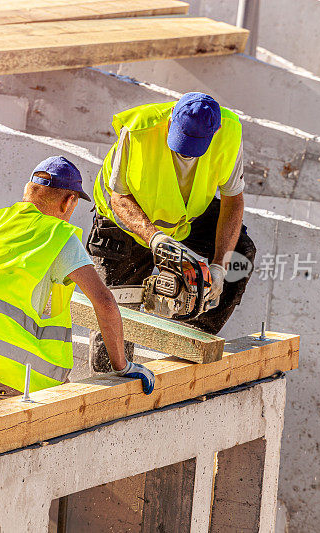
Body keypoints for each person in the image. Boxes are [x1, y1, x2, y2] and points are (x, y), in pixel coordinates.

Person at [0, 156, 155, 414]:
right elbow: (105, 301)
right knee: (59, 401)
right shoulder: (58, 235)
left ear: (27, 190)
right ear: (69, 201)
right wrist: (122, 367)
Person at [87, 93, 256, 372]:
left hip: (183, 218)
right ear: (170, 121)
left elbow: (233, 200)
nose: (186, 152)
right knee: (115, 314)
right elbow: (119, 198)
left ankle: (190, 340)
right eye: (181, 143)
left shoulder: (230, 133)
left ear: (215, 132)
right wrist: (154, 238)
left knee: (241, 255)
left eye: (194, 147)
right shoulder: (139, 129)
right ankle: (110, 377)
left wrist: (218, 267)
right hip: (124, 225)